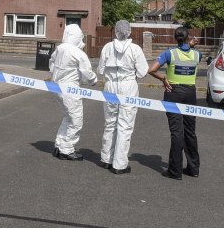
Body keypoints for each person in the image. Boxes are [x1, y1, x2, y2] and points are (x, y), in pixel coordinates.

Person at [148, 26, 200, 179]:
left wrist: (163, 78)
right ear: (188, 37)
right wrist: (190, 46)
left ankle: (175, 171)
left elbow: (152, 70)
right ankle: (193, 169)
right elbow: (187, 52)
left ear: (175, 38)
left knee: (177, 131)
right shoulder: (198, 55)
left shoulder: (169, 53)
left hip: (173, 93)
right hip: (191, 93)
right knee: (190, 131)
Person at [98, 20, 149, 174]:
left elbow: (100, 70)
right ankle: (119, 164)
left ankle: (106, 158)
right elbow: (142, 72)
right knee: (125, 125)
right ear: (129, 31)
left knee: (110, 122)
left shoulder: (107, 47)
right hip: (128, 86)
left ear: (115, 31)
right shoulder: (135, 49)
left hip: (110, 85)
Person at [49, 23, 97, 161]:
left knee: (67, 117)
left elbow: (51, 63)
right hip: (70, 90)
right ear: (78, 37)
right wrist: (93, 80)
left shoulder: (59, 48)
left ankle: (59, 145)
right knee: (76, 120)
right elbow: (87, 73)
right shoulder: (78, 53)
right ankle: (67, 150)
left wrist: (57, 74)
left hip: (56, 87)